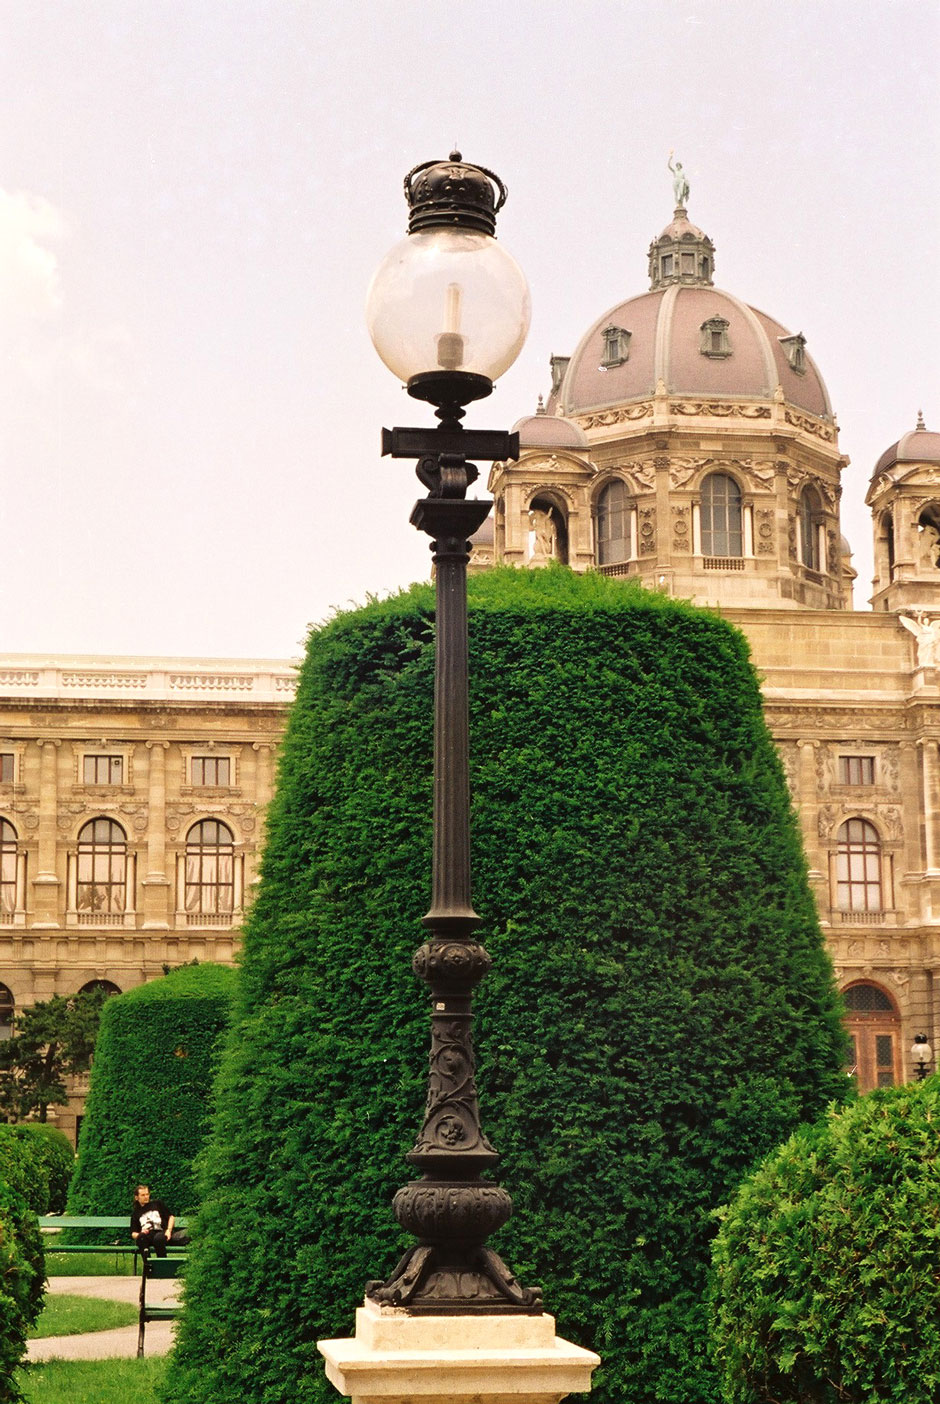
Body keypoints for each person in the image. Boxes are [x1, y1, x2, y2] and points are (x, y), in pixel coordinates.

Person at [130, 1184, 174, 1258]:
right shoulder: (136, 1213)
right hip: (147, 1236)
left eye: (147, 1194)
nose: (146, 1197)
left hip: (161, 1232)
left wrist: (169, 1230)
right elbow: (133, 1233)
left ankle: (162, 1265)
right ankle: (148, 1265)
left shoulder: (157, 1204)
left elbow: (171, 1217)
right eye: (143, 1195)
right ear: (137, 1197)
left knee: (158, 1239)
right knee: (141, 1238)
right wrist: (140, 1234)